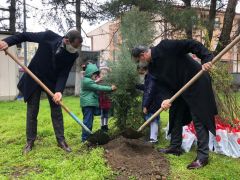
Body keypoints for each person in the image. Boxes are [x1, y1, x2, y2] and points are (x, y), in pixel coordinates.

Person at [131, 39, 217, 169]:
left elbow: (191, 44)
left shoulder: (165, 46)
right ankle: (175, 147)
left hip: (197, 81)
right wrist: (165, 99)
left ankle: (203, 157)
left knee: (199, 118)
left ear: (143, 55)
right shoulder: (153, 67)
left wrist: (206, 59)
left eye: (139, 60)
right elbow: (162, 85)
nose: (140, 63)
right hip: (179, 89)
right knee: (175, 115)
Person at [0, 30, 82, 154]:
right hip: (35, 76)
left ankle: (61, 141)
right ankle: (30, 142)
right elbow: (25, 36)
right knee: (32, 110)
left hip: (52, 82)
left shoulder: (73, 54)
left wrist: (59, 91)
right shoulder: (48, 37)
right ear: (66, 40)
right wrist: (7, 42)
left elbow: (64, 73)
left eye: (77, 48)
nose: (75, 49)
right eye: (74, 46)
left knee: (57, 111)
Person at [80, 63, 117, 142]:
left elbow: (95, 84)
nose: (96, 77)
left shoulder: (88, 80)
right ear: (91, 74)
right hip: (88, 104)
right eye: (95, 75)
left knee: (89, 121)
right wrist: (111, 88)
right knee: (87, 122)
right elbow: (98, 87)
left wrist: (98, 80)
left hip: (89, 104)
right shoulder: (87, 81)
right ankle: (84, 139)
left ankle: (88, 137)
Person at [136, 65, 162, 143]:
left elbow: (149, 92)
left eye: (138, 70)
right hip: (154, 101)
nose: (138, 72)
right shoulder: (149, 76)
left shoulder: (151, 77)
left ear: (142, 69)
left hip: (153, 102)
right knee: (152, 119)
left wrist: (145, 105)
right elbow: (146, 88)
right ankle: (153, 138)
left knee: (153, 119)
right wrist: (136, 85)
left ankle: (153, 139)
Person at [98, 67, 112, 132]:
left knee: (106, 114)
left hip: (107, 100)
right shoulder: (98, 81)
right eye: (102, 73)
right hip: (101, 100)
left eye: (105, 73)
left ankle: (106, 125)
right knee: (102, 114)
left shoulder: (109, 81)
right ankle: (101, 126)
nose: (104, 75)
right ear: (100, 74)